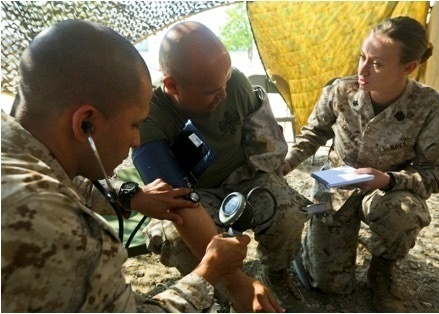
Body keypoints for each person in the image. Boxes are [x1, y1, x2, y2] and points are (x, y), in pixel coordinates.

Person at [1, 19, 253, 312]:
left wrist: (130, 196)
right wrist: (209, 270)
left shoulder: (19, 153)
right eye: (134, 125)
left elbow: (66, 181)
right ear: (86, 123)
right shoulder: (63, 230)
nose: (136, 141)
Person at [282, 16, 439, 312]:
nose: (362, 70)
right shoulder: (341, 91)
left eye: (376, 63)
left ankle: (382, 269)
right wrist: (286, 164)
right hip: (337, 187)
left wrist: (389, 180)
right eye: (362, 57)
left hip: (386, 191)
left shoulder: (432, 109)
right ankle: (314, 248)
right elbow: (313, 133)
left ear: (408, 68)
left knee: (403, 214)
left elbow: (434, 173)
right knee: (332, 287)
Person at [136, 21, 311, 310]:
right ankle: (212, 290)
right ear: (172, 85)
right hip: (195, 192)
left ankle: (277, 274)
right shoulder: (149, 116)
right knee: (178, 241)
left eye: (226, 81)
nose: (224, 95)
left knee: (289, 213)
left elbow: (262, 141)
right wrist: (235, 281)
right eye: (211, 91)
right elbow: (179, 201)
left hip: (244, 175)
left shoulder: (235, 83)